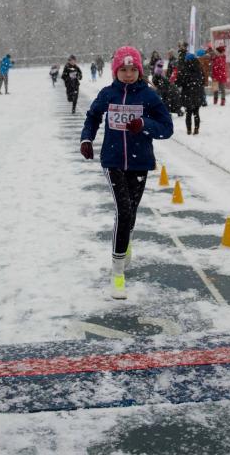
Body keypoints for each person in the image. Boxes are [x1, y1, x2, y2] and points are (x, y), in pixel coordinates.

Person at [80, 46, 173, 299]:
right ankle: (117, 272)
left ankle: (126, 241)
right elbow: (92, 117)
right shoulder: (107, 94)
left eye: (133, 70)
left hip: (140, 162)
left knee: (131, 212)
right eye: (124, 69)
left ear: (140, 71)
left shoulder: (149, 96)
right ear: (115, 70)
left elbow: (167, 128)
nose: (129, 74)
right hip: (113, 161)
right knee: (123, 210)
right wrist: (86, 139)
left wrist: (144, 125)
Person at [177, 50, 205, 135]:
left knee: (188, 113)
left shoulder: (184, 69)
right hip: (198, 93)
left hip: (187, 93)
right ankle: (196, 129)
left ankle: (189, 130)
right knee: (196, 113)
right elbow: (203, 81)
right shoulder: (199, 68)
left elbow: (179, 82)